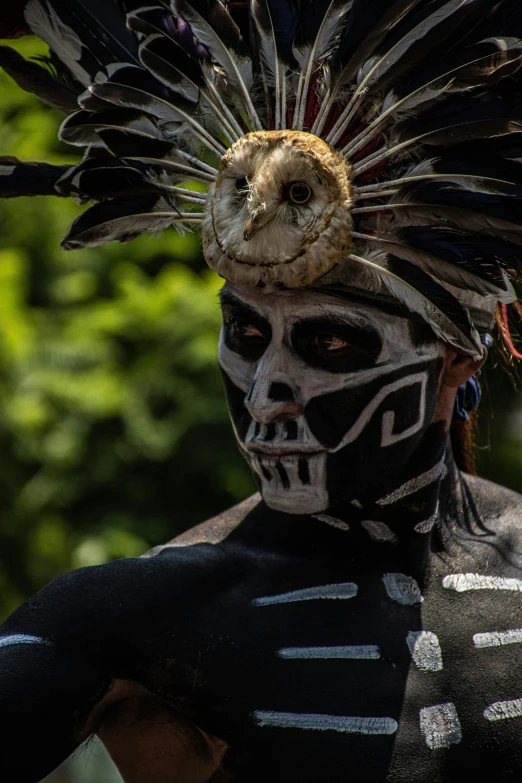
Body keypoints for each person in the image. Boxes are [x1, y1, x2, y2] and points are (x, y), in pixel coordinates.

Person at [2, 1, 522, 781]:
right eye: (247, 335)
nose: (267, 391)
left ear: (455, 353)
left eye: (331, 342)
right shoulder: (137, 617)